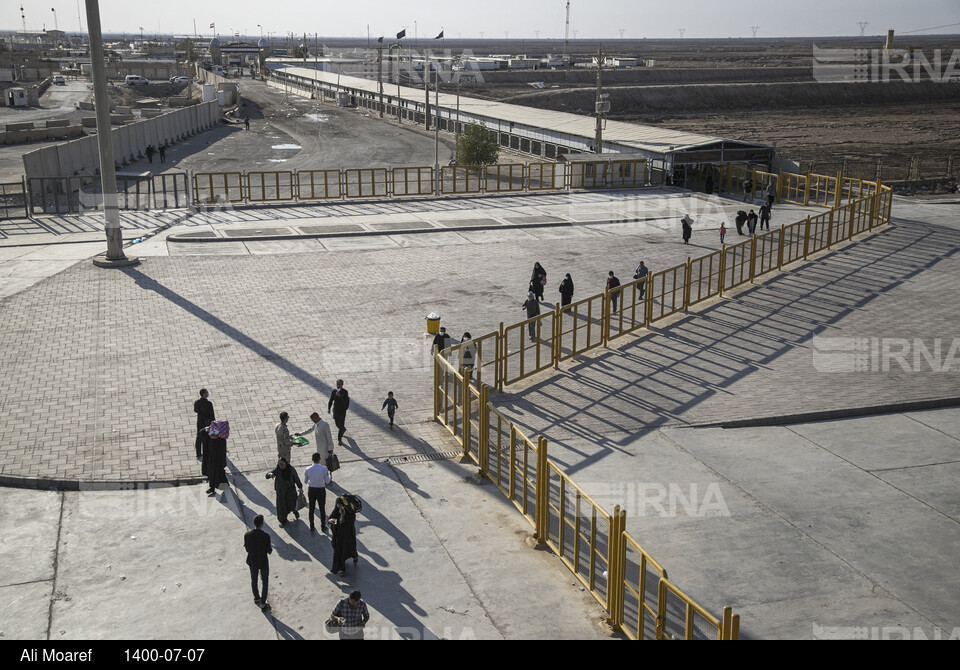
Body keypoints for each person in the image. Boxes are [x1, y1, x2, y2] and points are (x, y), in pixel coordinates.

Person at [244, 515, 272, 611]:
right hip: (263, 561)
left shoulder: (247, 535)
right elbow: (269, 551)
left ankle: (256, 597)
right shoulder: (266, 536)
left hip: (252, 561)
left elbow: (247, 549)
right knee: (265, 581)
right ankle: (263, 603)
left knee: (254, 579)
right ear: (262, 524)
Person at [266, 457, 302, 527]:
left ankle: (295, 512)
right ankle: (283, 520)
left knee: (292, 504)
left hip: (290, 491)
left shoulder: (291, 470)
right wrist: (269, 474)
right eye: (280, 464)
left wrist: (300, 487)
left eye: (283, 464)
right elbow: (267, 475)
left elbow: (296, 478)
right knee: (281, 507)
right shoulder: (277, 470)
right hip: (281, 492)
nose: (281, 466)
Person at [329, 495, 360, 577]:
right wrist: (332, 520)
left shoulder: (350, 513)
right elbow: (331, 518)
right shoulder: (337, 510)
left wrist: (342, 515)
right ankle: (341, 568)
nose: (337, 505)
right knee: (339, 552)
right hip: (338, 536)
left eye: (339, 504)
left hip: (347, 536)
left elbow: (344, 523)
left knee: (349, 549)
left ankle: (353, 558)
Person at [303, 452, 332, 534]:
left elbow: (305, 481)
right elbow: (327, 481)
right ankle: (323, 526)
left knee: (311, 508)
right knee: (322, 508)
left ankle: (312, 526)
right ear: (320, 459)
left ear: (312, 459)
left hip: (311, 489)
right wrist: (329, 474)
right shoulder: (324, 469)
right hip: (321, 490)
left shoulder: (308, 469)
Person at [204, 421, 228, 495]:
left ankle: (213, 488)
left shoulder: (220, 441)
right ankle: (215, 487)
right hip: (214, 459)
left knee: (216, 473)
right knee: (217, 473)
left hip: (218, 460)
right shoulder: (214, 439)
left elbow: (222, 451)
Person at [193, 388, 214, 460]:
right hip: (207, 423)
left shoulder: (197, 402)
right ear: (204, 394)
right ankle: (208, 452)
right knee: (208, 438)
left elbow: (196, 410)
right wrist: (213, 422)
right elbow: (212, 415)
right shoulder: (209, 404)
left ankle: (198, 453)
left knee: (199, 437)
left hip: (200, 422)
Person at [328, 380, 350, 446]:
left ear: (342, 385)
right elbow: (331, 400)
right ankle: (343, 429)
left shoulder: (345, 392)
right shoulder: (334, 391)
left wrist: (340, 396)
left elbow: (346, 401)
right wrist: (329, 408)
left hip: (342, 411)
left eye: (340, 384)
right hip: (336, 410)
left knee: (341, 425)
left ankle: (339, 439)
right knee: (337, 423)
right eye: (337, 384)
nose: (338, 385)